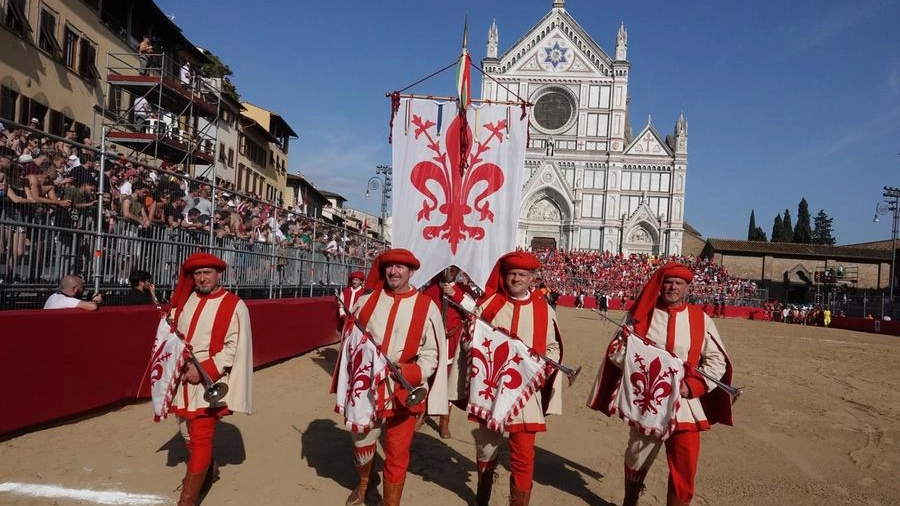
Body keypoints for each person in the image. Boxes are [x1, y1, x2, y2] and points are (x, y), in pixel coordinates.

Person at [587, 262, 733, 506]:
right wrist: (639, 357)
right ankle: (630, 500)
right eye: (668, 282)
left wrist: (692, 386)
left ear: (687, 288)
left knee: (684, 468)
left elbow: (717, 362)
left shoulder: (701, 319)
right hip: (648, 402)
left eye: (679, 283)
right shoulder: (642, 314)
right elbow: (616, 352)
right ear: (660, 285)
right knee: (637, 457)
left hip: (686, 407)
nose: (672, 287)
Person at [450, 251, 563, 506]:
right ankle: (483, 492)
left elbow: (553, 347)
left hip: (525, 394)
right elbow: (469, 340)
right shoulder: (488, 304)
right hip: (490, 390)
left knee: (524, 456)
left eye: (522, 274)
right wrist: (474, 340)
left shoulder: (544, 310)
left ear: (532, 278)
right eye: (512, 274)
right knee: (486, 449)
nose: (516, 278)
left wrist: (542, 365)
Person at [340, 248, 447, 506]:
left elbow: (432, 353)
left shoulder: (427, 307)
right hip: (367, 388)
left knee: (397, 451)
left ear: (411, 272)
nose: (394, 271)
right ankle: (365, 482)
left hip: (403, 391)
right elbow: (349, 341)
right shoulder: (365, 302)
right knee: (362, 442)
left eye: (401, 267)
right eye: (390, 266)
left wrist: (410, 372)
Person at [168, 252, 253, 506]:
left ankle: (188, 500)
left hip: (207, 382)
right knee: (185, 432)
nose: (202, 278)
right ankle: (209, 469)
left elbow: (234, 346)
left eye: (207, 273)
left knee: (201, 437)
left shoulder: (234, 304)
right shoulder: (185, 301)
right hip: (182, 377)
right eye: (197, 274)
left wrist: (205, 369)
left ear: (218, 275)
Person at [421, 265, 474, 439]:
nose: (450, 271)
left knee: (448, 382)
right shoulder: (429, 290)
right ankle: (423, 413)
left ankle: (444, 420)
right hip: (432, 342)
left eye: (454, 269)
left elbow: (474, 311)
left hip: (453, 342)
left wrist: (455, 295)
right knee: (428, 377)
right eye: (446, 268)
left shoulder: (463, 290)